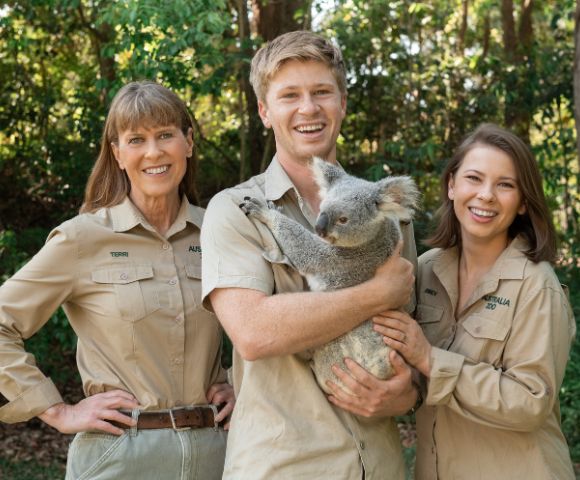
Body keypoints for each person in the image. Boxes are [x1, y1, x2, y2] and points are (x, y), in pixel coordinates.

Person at [200, 31, 419, 479]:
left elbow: (414, 336)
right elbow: (255, 333)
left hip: (378, 464)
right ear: (265, 111)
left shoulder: (385, 212)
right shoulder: (234, 211)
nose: (308, 108)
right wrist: (376, 293)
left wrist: (410, 392)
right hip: (284, 465)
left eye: (322, 92)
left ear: (342, 103)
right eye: (289, 96)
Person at [0, 81, 234, 480]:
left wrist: (236, 382)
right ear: (118, 154)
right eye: (136, 140)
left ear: (189, 142)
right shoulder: (81, 239)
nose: (154, 152)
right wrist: (57, 411)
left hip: (218, 456)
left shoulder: (220, 232)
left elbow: (266, 320)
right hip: (120, 458)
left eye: (165, 135)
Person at [374, 123, 576, 479]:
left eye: (505, 185)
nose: (486, 195)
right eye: (474, 178)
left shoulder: (536, 286)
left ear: (524, 202)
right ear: (452, 186)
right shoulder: (422, 271)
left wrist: (430, 359)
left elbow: (531, 402)